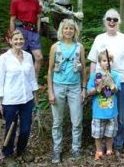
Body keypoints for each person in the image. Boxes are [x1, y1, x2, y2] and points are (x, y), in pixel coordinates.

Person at [87, 8, 124, 152]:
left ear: (119, 22)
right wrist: (92, 82)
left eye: (115, 19)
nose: (112, 22)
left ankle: (118, 144)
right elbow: (92, 62)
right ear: (105, 21)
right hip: (101, 81)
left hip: (121, 81)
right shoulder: (99, 38)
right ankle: (102, 145)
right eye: (109, 19)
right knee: (102, 112)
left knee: (119, 115)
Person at [0, 30, 38, 166]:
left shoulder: (28, 56)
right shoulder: (4, 58)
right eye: (16, 39)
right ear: (10, 41)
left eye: (21, 39)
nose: (18, 41)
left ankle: (22, 150)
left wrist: (35, 97)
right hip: (10, 100)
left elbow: (31, 78)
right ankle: (8, 154)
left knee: (26, 129)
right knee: (10, 129)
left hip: (27, 99)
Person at [47, 19, 87, 163]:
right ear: (61, 31)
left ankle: (76, 148)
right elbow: (50, 70)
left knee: (76, 120)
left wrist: (84, 89)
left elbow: (83, 70)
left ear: (75, 31)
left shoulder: (79, 47)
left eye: (71, 28)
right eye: (66, 29)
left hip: (75, 87)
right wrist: (50, 92)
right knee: (57, 122)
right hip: (58, 86)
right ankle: (57, 150)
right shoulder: (55, 47)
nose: (68, 31)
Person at [87, 51, 121, 160]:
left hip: (111, 112)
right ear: (100, 62)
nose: (107, 63)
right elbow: (89, 92)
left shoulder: (115, 75)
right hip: (98, 112)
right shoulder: (95, 76)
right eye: (104, 60)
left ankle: (109, 150)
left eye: (109, 61)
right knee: (98, 134)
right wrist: (98, 87)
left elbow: (116, 90)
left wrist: (111, 84)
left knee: (110, 133)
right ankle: (99, 151)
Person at [9, 0, 43, 78]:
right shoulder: (15, 1)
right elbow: (12, 19)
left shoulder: (35, 2)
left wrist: (38, 30)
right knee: (19, 56)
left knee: (39, 57)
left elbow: (38, 17)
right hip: (21, 30)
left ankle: (34, 79)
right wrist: (12, 34)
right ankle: (20, 78)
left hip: (33, 31)